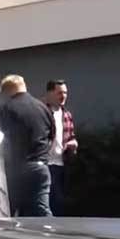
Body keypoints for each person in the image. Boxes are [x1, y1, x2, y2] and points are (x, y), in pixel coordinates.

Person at [0, 74, 53, 216]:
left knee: (11, 213)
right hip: (41, 168)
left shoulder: (8, 108)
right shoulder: (43, 108)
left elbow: (3, 138)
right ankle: (48, 235)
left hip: (19, 169)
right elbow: (51, 136)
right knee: (41, 211)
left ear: (6, 91)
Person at [43, 79, 77, 216]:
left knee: (60, 203)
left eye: (65, 93)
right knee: (51, 202)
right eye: (59, 93)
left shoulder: (66, 115)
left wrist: (73, 144)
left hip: (61, 164)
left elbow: (71, 137)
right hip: (45, 164)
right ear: (50, 94)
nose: (63, 96)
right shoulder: (42, 112)